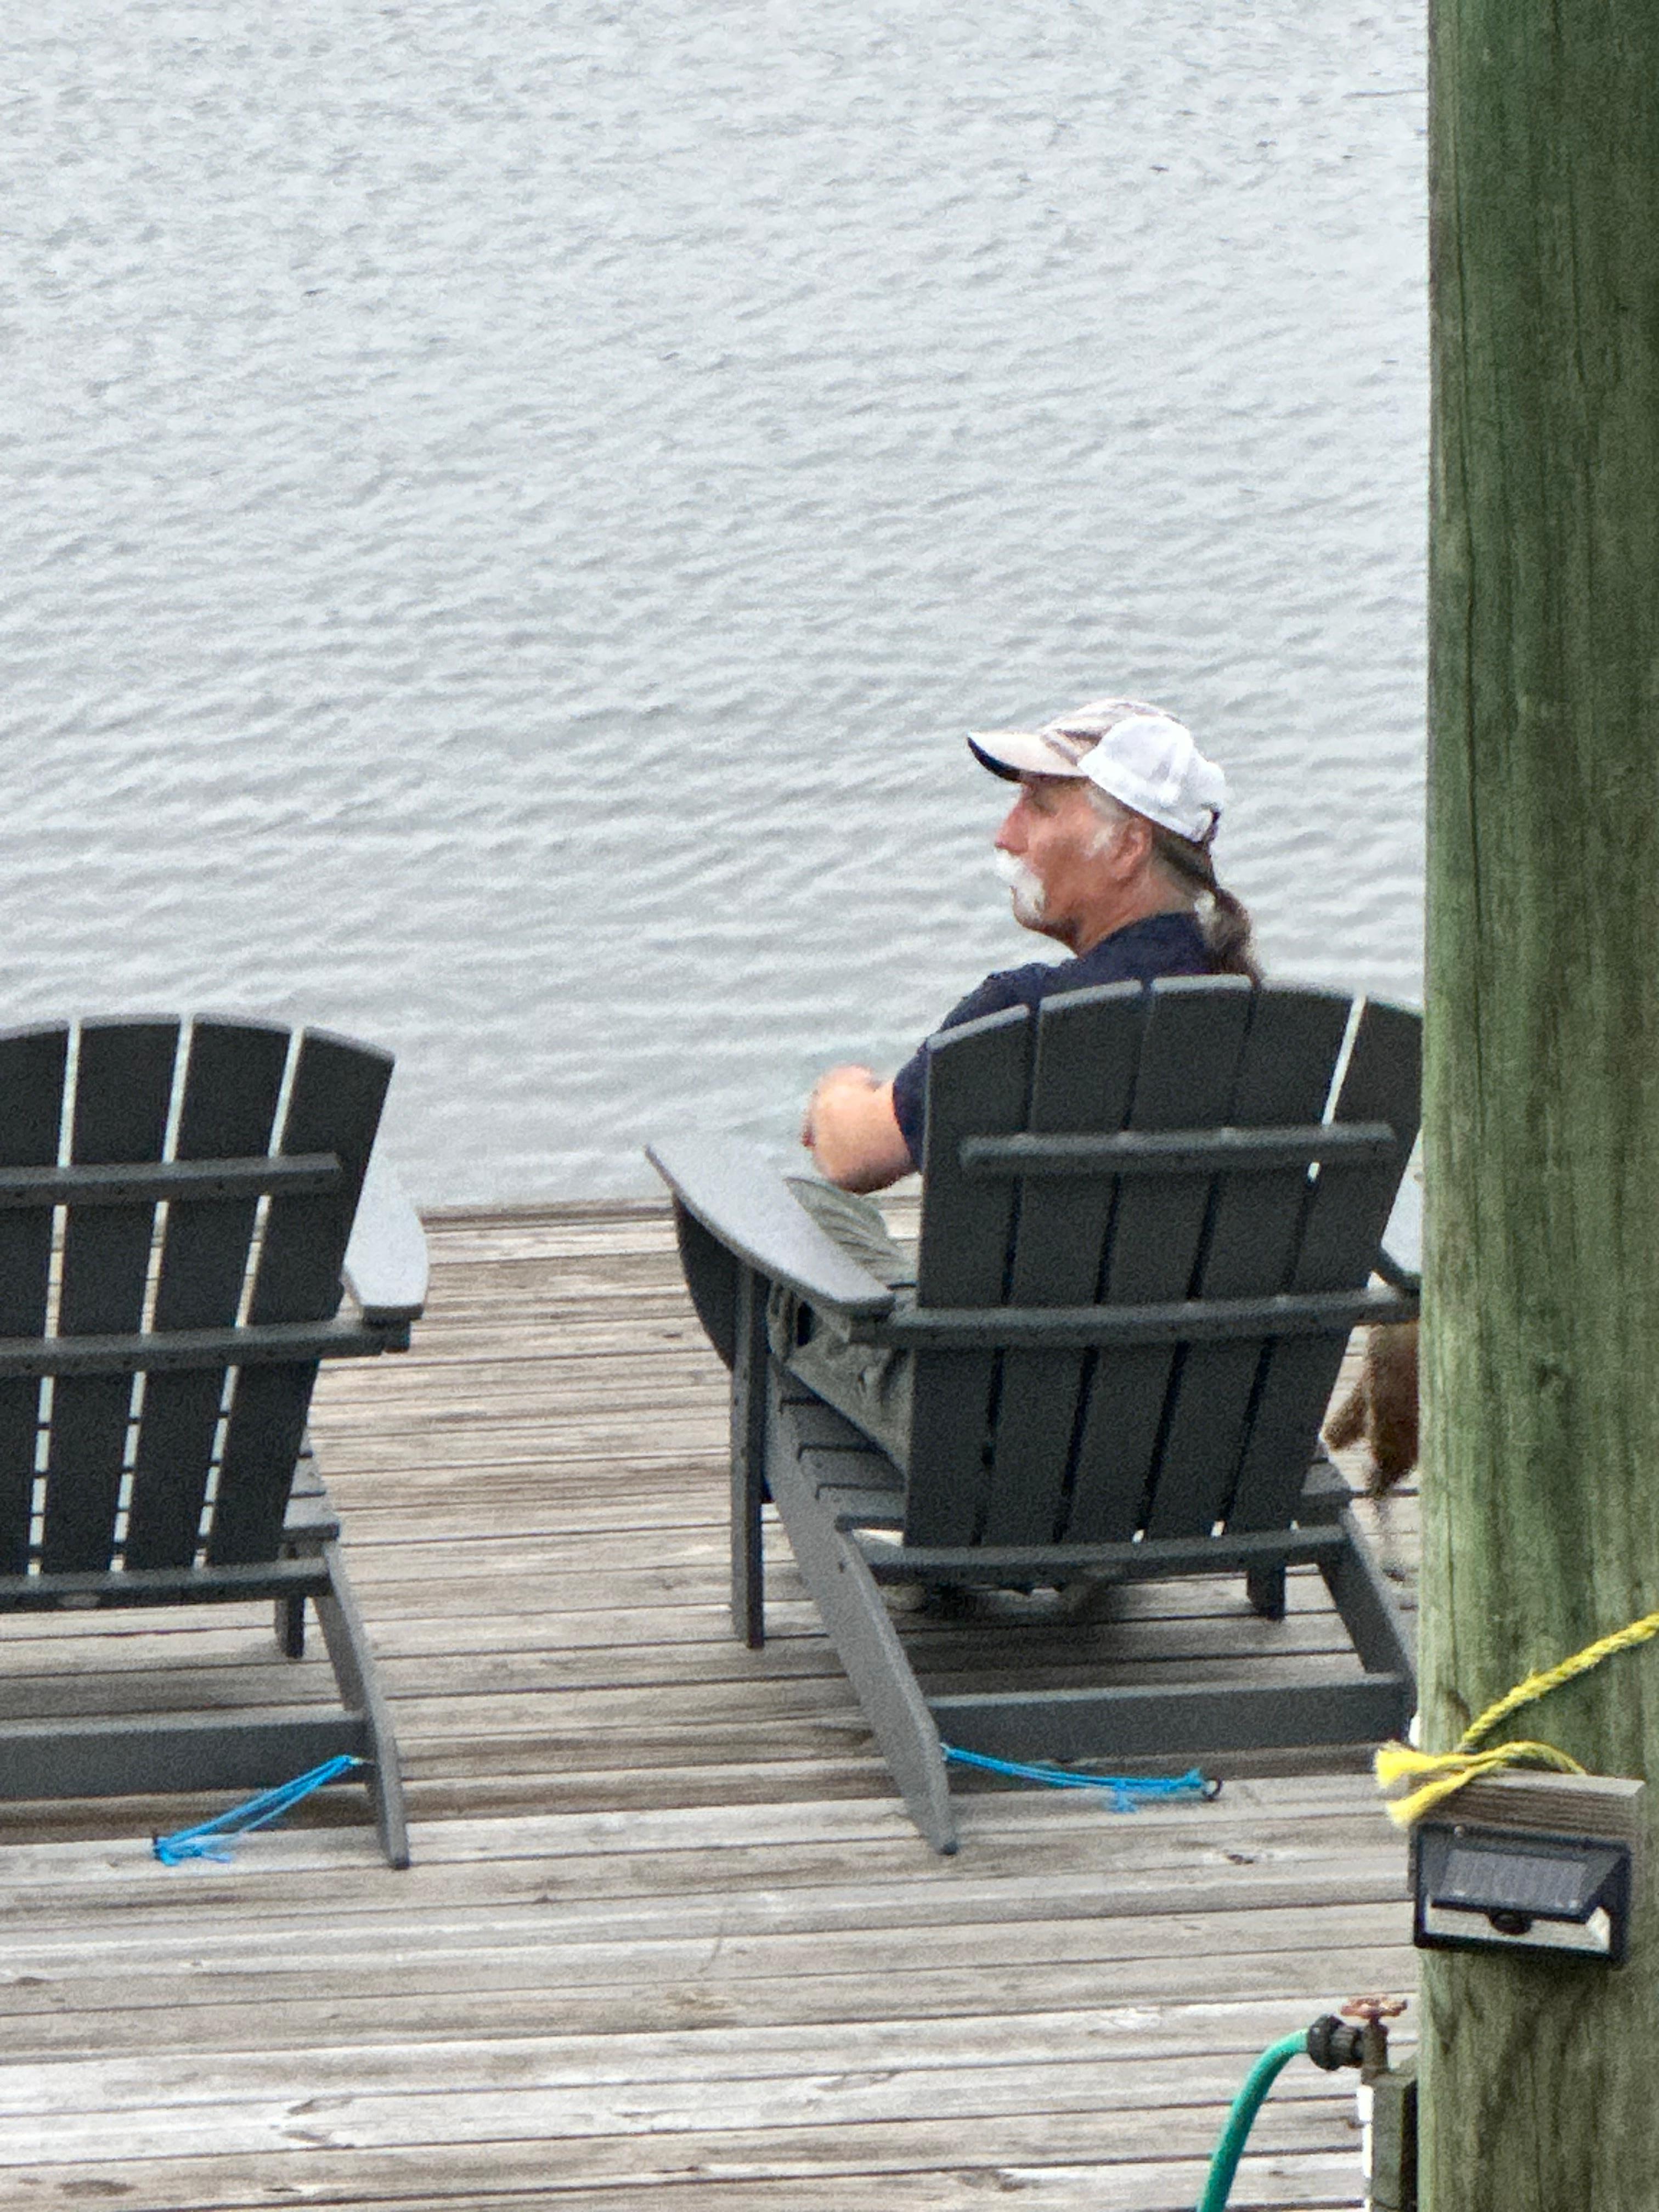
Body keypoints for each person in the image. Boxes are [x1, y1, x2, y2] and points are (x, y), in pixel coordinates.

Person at [771, 696, 1260, 1468]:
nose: (1006, 836)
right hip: (1203, 1446)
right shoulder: (1262, 1022)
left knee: (783, 1219)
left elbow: (851, 1159)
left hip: (1005, 1449)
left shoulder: (1021, 1020)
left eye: (1038, 806)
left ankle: (914, 1520)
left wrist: (838, 1091)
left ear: (1128, 846)